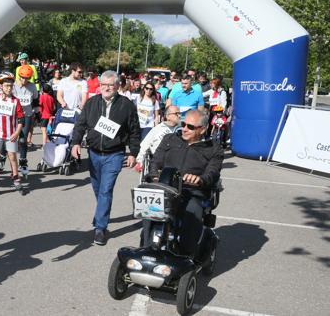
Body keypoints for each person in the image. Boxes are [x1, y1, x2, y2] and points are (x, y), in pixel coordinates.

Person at [70, 70, 140, 245]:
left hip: (114, 154)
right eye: (103, 84)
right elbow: (80, 124)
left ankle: (100, 228)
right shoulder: (92, 103)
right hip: (93, 154)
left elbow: (134, 131)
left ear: (117, 86)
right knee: (98, 189)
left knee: (105, 190)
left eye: (110, 85)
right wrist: (76, 142)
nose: (106, 88)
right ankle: (101, 215)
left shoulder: (127, 105)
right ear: (99, 86)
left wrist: (133, 152)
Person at [148, 110, 223, 259]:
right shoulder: (170, 139)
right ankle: (147, 247)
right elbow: (155, 161)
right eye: (183, 124)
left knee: (192, 213)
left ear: (202, 129)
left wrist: (200, 179)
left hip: (192, 191)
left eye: (190, 126)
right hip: (165, 187)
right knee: (148, 211)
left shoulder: (213, 148)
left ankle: (186, 255)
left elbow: (213, 172)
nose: (185, 129)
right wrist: (155, 175)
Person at [0, 72, 25, 196]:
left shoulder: (15, 101)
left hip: (11, 133)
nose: (9, 88)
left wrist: (17, 133)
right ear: (0, 86)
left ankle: (16, 177)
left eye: (11, 86)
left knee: (12, 156)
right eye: (6, 86)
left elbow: (21, 119)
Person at [134, 105, 181, 170]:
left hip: (177, 162)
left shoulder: (182, 129)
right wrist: (140, 161)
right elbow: (145, 145)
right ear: (167, 116)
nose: (179, 116)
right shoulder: (157, 129)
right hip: (159, 162)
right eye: (176, 114)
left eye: (180, 113)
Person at [12, 64, 39, 177]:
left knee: (23, 140)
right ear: (19, 76)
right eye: (22, 77)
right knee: (9, 138)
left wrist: (37, 114)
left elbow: (36, 101)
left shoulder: (32, 87)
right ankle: (2, 159)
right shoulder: (13, 86)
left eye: (27, 78)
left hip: (27, 115)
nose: (24, 80)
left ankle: (23, 161)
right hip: (13, 116)